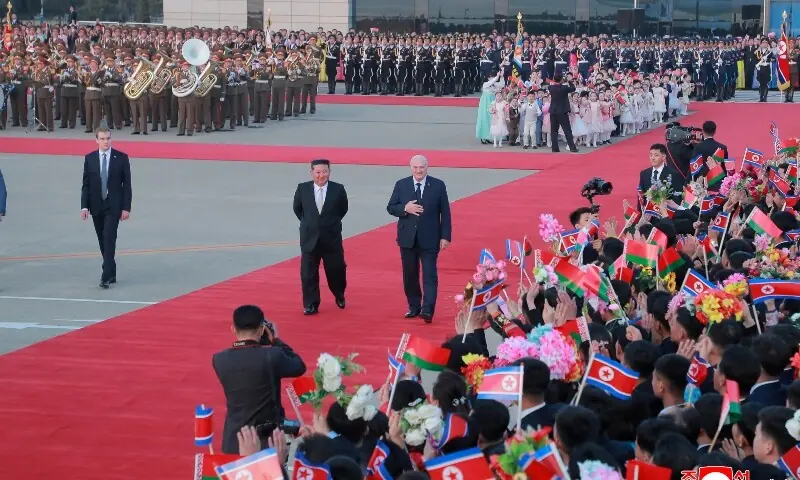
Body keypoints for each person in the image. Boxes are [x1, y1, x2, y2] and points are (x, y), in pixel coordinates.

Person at [212, 305, 306, 454]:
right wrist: (275, 340)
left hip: (235, 440)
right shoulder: (272, 355)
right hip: (267, 440)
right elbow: (299, 366)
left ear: (233, 329)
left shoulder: (218, 359)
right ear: (262, 329)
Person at [386, 155, 452, 323]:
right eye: (415, 167)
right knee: (410, 275)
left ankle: (428, 310)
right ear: (410, 168)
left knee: (429, 275)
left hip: (430, 238)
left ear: (427, 167)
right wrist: (405, 208)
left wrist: (445, 237)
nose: (418, 170)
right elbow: (391, 207)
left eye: (421, 167)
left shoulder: (438, 185)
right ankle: (414, 307)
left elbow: (445, 212)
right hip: (407, 239)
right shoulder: (402, 185)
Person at [292, 159, 349, 315]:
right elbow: (298, 209)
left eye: (324, 172)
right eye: (318, 172)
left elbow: (343, 209)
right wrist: (311, 224)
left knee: (336, 270)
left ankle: (339, 294)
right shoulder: (302, 189)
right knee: (308, 273)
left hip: (332, 238)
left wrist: (329, 224)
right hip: (309, 239)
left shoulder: (338, 189)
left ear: (329, 171)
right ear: (311, 172)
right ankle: (311, 304)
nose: (321, 175)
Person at [80, 127, 132, 289]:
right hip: (96, 205)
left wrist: (126, 207)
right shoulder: (90, 158)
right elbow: (86, 185)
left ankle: (106, 275)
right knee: (102, 240)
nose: (105, 141)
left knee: (109, 238)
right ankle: (112, 269)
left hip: (113, 205)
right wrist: (84, 207)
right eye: (102, 139)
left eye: (108, 138)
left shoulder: (121, 158)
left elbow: (127, 185)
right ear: (96, 140)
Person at [547, 74, 578, 153]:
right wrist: (569, 81)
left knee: (554, 131)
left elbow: (551, 85)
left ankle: (555, 148)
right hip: (562, 111)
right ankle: (572, 147)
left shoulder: (551, 88)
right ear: (561, 79)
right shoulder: (564, 88)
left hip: (553, 111)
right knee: (567, 130)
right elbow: (573, 88)